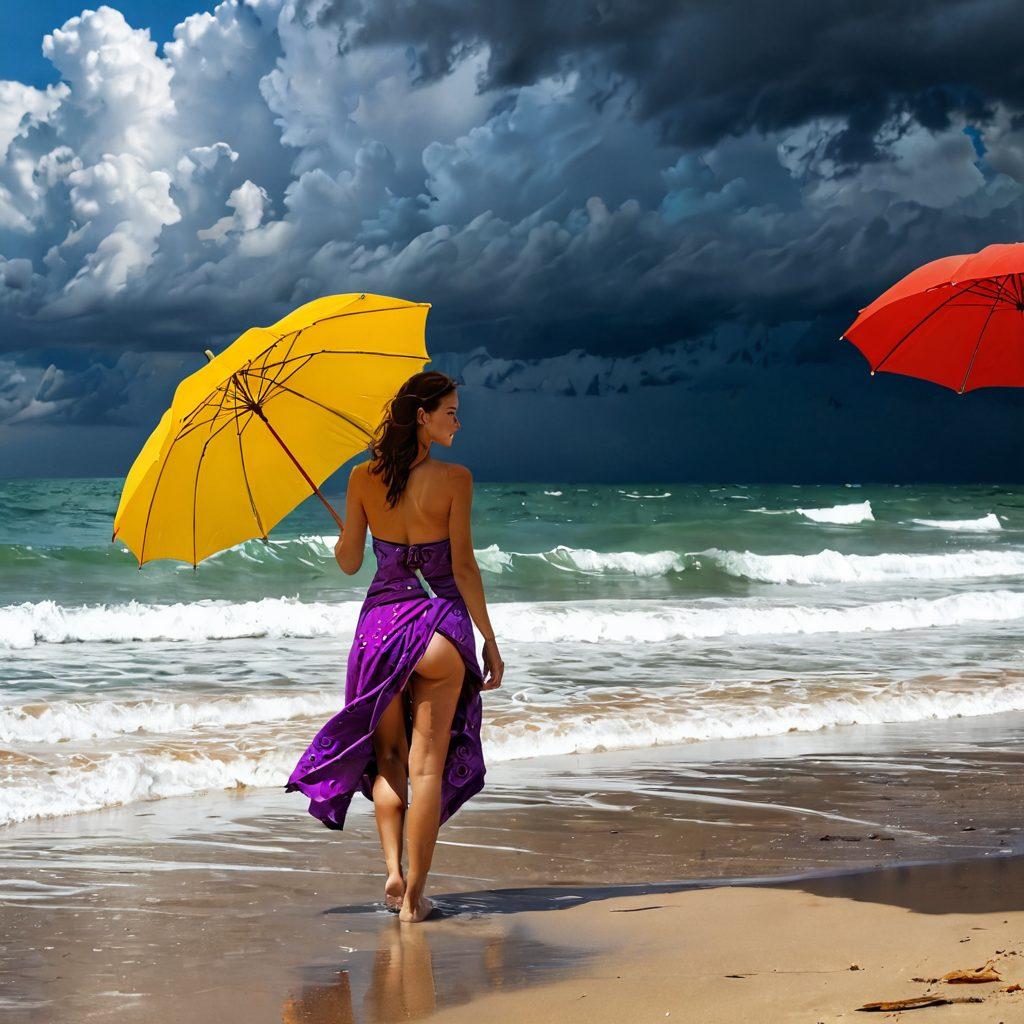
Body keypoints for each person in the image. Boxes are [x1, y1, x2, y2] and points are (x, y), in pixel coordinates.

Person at [284, 370, 504, 924]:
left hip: (381, 631)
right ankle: (415, 897)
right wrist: (489, 640)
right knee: (427, 768)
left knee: (389, 759)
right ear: (423, 416)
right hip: (440, 630)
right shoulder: (456, 479)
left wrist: (343, 534)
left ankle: (390, 869)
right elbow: (462, 566)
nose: (458, 420)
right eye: (451, 411)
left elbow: (351, 562)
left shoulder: (361, 478)